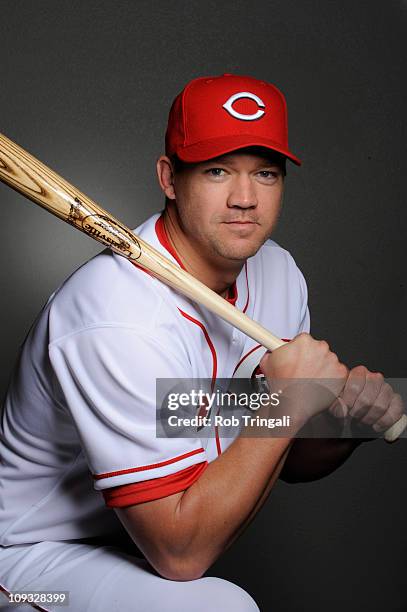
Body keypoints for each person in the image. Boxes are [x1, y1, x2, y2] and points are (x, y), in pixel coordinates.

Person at [0, 74, 403, 612]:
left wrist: (347, 423)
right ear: (169, 177)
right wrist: (285, 405)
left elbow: (282, 454)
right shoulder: (114, 317)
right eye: (217, 170)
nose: (245, 199)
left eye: (265, 173)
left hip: (142, 545)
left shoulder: (277, 272)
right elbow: (181, 555)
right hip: (29, 559)